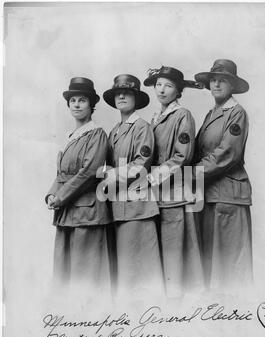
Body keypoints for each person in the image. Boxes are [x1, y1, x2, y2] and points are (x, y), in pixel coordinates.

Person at [143, 66, 205, 298]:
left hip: (175, 193)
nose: (162, 89)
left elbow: (183, 156)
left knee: (175, 252)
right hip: (156, 195)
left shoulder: (182, 115)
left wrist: (153, 176)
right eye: (159, 84)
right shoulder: (154, 117)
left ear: (178, 91)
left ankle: (178, 305)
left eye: (168, 85)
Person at [45, 77, 111, 292]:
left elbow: (90, 172)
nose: (76, 104)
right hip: (66, 211)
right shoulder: (70, 137)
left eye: (82, 100)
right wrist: (51, 195)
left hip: (87, 212)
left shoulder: (97, 134)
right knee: (64, 274)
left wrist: (60, 196)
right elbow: (62, 174)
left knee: (85, 277)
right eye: (73, 100)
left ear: (91, 105)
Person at [102, 74, 164, 298]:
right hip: (119, 206)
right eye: (118, 93)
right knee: (126, 273)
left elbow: (141, 164)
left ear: (136, 98)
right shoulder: (114, 131)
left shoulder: (141, 127)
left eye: (127, 93)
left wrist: (112, 175)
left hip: (137, 207)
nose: (121, 96)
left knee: (142, 272)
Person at [193, 59, 253, 289]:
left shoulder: (236, 113)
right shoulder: (212, 114)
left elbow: (227, 154)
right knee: (213, 268)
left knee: (231, 269)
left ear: (233, 86)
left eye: (222, 80)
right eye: (213, 80)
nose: (216, 84)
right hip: (209, 194)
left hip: (229, 196)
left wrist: (190, 174)